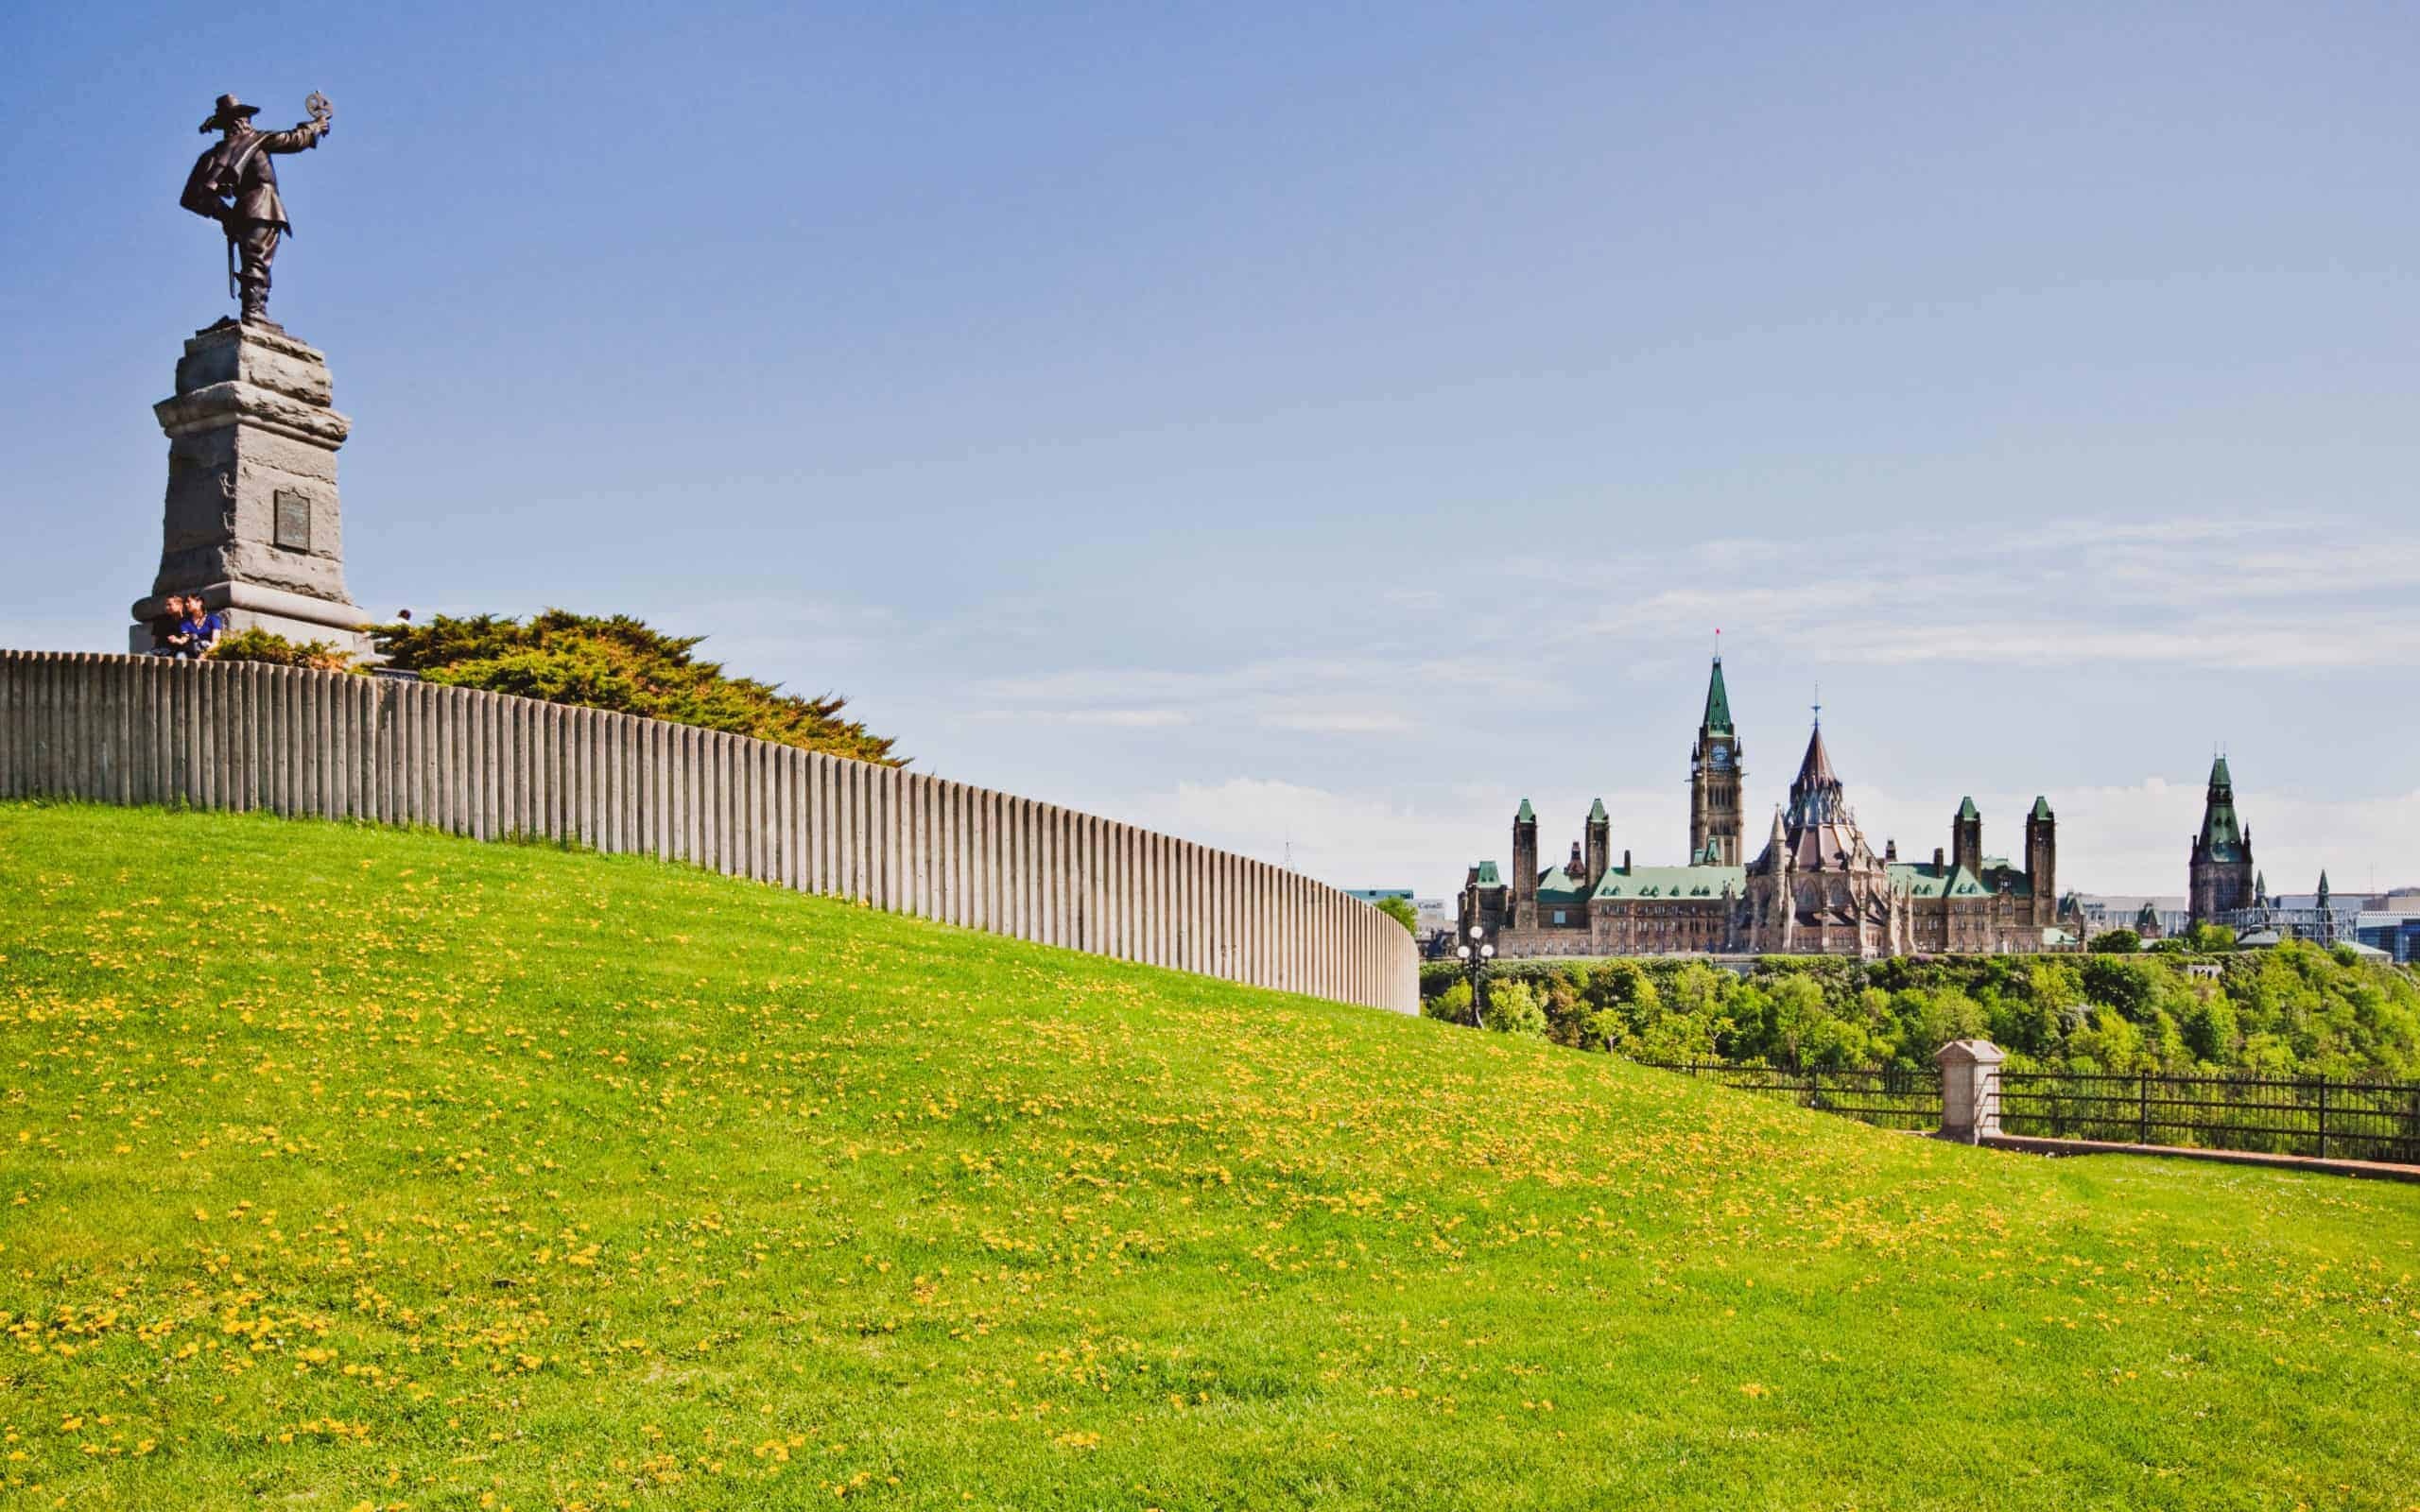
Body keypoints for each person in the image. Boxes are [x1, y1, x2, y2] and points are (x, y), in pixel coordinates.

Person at [181, 94, 330, 325]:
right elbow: (293, 140)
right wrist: (316, 126)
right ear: (241, 120)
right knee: (258, 262)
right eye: (245, 117)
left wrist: (225, 215)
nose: (249, 122)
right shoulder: (256, 140)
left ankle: (253, 310)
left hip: (242, 211)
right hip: (264, 206)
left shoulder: (214, 155)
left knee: (254, 261)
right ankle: (253, 312)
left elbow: (193, 196)